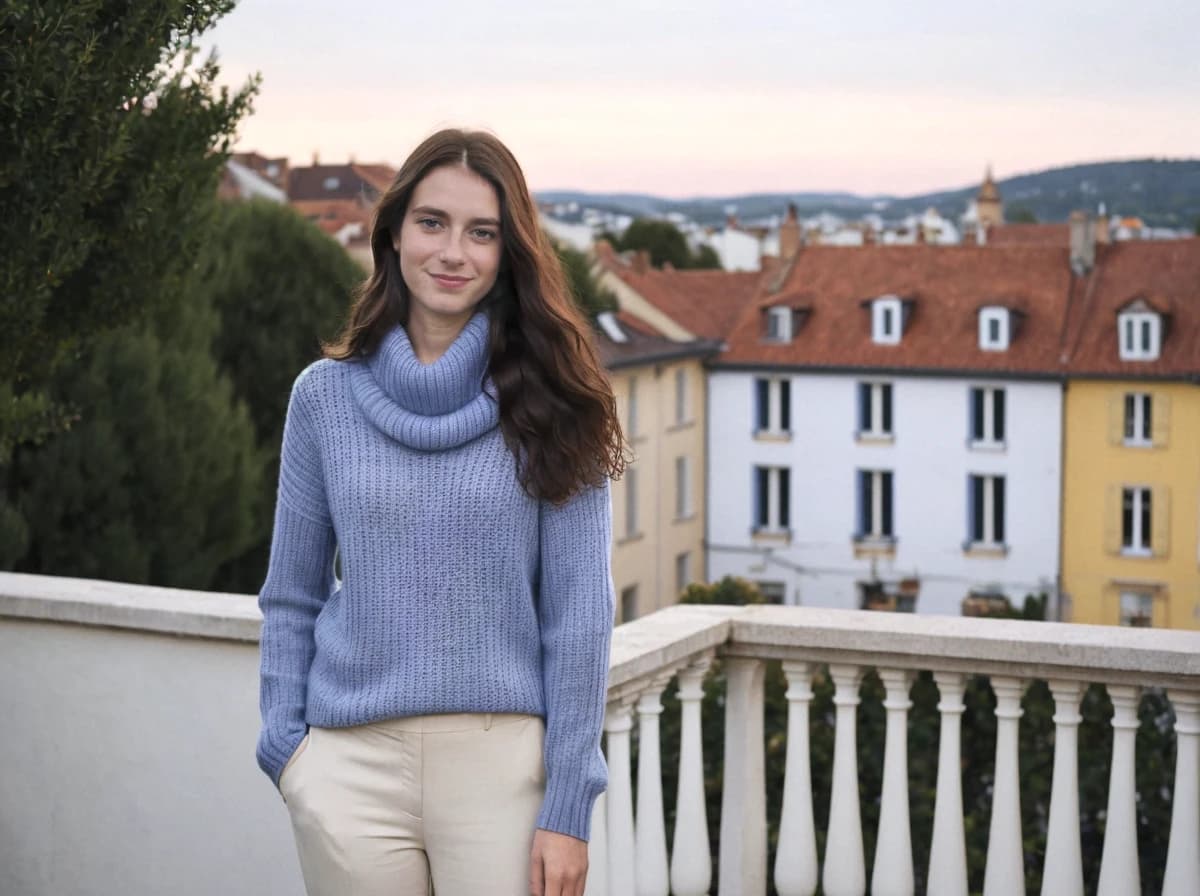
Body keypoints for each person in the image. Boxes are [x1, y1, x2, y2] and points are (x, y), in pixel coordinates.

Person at [255, 128, 625, 896]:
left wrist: (567, 806)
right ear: (392, 235)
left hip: (504, 773)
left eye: (481, 232)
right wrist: (288, 753)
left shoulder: (561, 402)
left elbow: (580, 618)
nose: (453, 252)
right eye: (433, 223)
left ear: (508, 251)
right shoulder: (322, 399)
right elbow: (292, 594)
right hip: (346, 767)